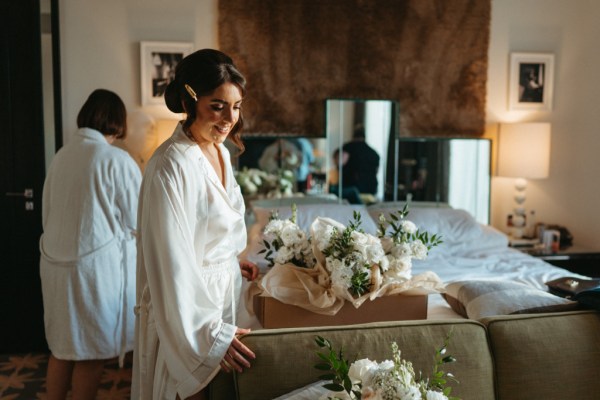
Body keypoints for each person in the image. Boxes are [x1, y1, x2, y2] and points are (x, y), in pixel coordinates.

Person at [131, 49, 259, 400]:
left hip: (224, 300)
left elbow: (210, 229)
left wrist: (229, 260)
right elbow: (173, 264)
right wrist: (210, 336)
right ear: (191, 100)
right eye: (217, 106)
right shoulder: (170, 166)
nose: (229, 118)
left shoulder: (220, 151)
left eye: (236, 106)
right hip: (189, 317)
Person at [39, 89, 141, 399]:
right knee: (91, 351)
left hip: (55, 262)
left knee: (63, 348)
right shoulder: (115, 159)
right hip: (92, 269)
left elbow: (47, 213)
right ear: (117, 121)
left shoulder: (61, 155)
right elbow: (140, 218)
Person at [331, 124, 380, 203]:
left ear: (353, 135)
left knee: (332, 189)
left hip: (351, 189)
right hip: (371, 190)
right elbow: (376, 172)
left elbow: (340, 162)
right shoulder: (374, 153)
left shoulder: (347, 148)